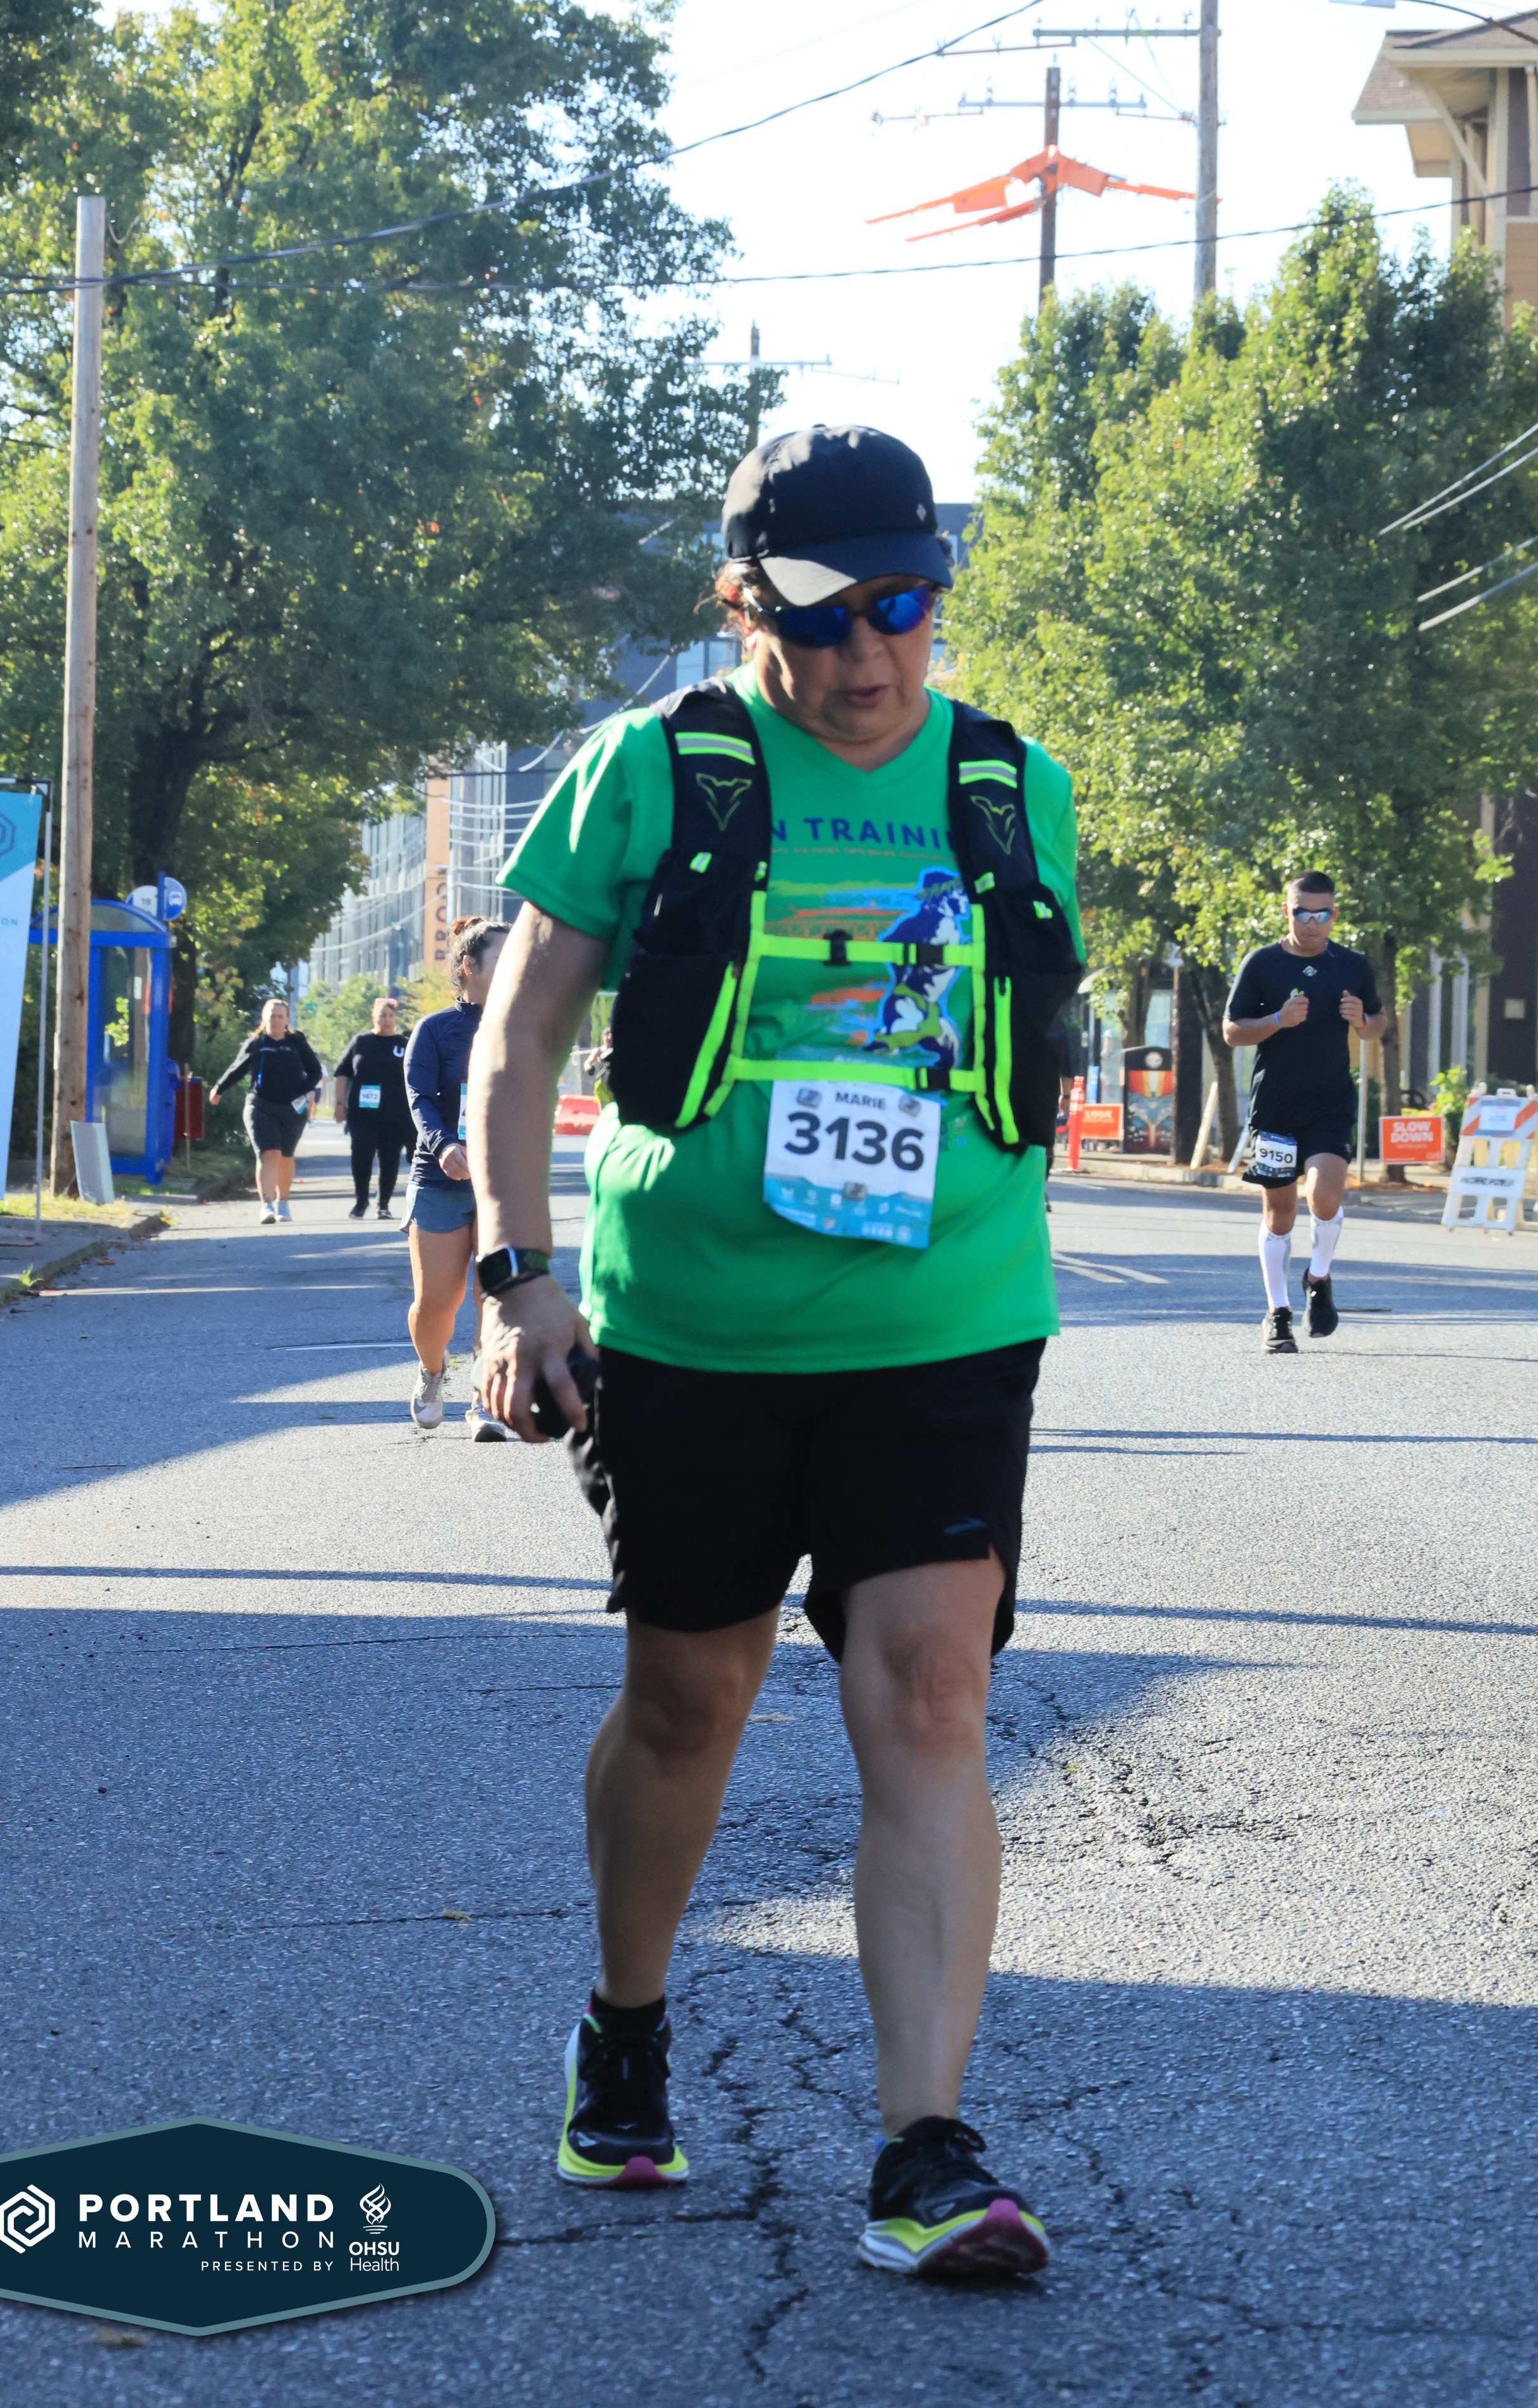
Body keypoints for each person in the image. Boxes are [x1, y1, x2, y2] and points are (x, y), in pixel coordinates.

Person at [466, 424, 1084, 2279]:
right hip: (693, 1326)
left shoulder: (1013, 788)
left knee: (932, 1693)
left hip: (944, 1317)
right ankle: (626, 2021)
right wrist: (518, 1279)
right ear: (742, 602)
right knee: (691, 1698)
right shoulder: (649, 772)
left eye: (903, 607)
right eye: (824, 617)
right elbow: (518, 1040)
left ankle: (924, 2147)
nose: (869, 652)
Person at [1223, 871, 1386, 1352]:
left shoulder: (1352, 965)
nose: (1313, 923)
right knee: (1280, 1214)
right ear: (1286, 911)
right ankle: (1277, 1313)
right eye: (1303, 913)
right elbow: (1232, 1031)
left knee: (1325, 1198)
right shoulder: (1263, 963)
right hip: (1275, 1105)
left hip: (1329, 1103)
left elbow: (1379, 1021)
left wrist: (1363, 1022)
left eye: (1322, 914)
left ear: (1335, 914)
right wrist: (1277, 1020)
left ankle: (1319, 1277)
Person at [402, 915, 510, 1436]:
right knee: (436, 1306)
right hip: (440, 1178)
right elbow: (420, 1098)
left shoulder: (524, 1026)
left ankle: (483, 1399)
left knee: (497, 1295)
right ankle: (432, 1370)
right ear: (469, 966)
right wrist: (444, 1144)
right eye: (502, 957)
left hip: (502, 1184)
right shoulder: (435, 1029)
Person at [209, 997, 324, 1224]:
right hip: (260, 1105)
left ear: (287, 1020)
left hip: (292, 1108)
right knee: (269, 1153)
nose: (276, 1020)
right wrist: (219, 1088)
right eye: (272, 1016)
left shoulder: (297, 1042)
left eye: (280, 1016)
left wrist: (304, 1090)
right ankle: (267, 1205)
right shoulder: (256, 1043)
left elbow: (315, 1071)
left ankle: (283, 1202)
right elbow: (237, 1068)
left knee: (285, 1156)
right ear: (264, 1018)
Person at [334, 996, 416, 1218]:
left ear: (395, 1018)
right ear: (374, 1017)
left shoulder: (404, 1044)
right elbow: (342, 1073)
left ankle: (384, 1204)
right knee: (361, 1155)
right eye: (382, 1016)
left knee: (390, 1159)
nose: (386, 1020)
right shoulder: (361, 1042)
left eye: (390, 1016)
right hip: (362, 1113)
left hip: (396, 1114)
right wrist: (340, 1104)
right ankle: (361, 1201)